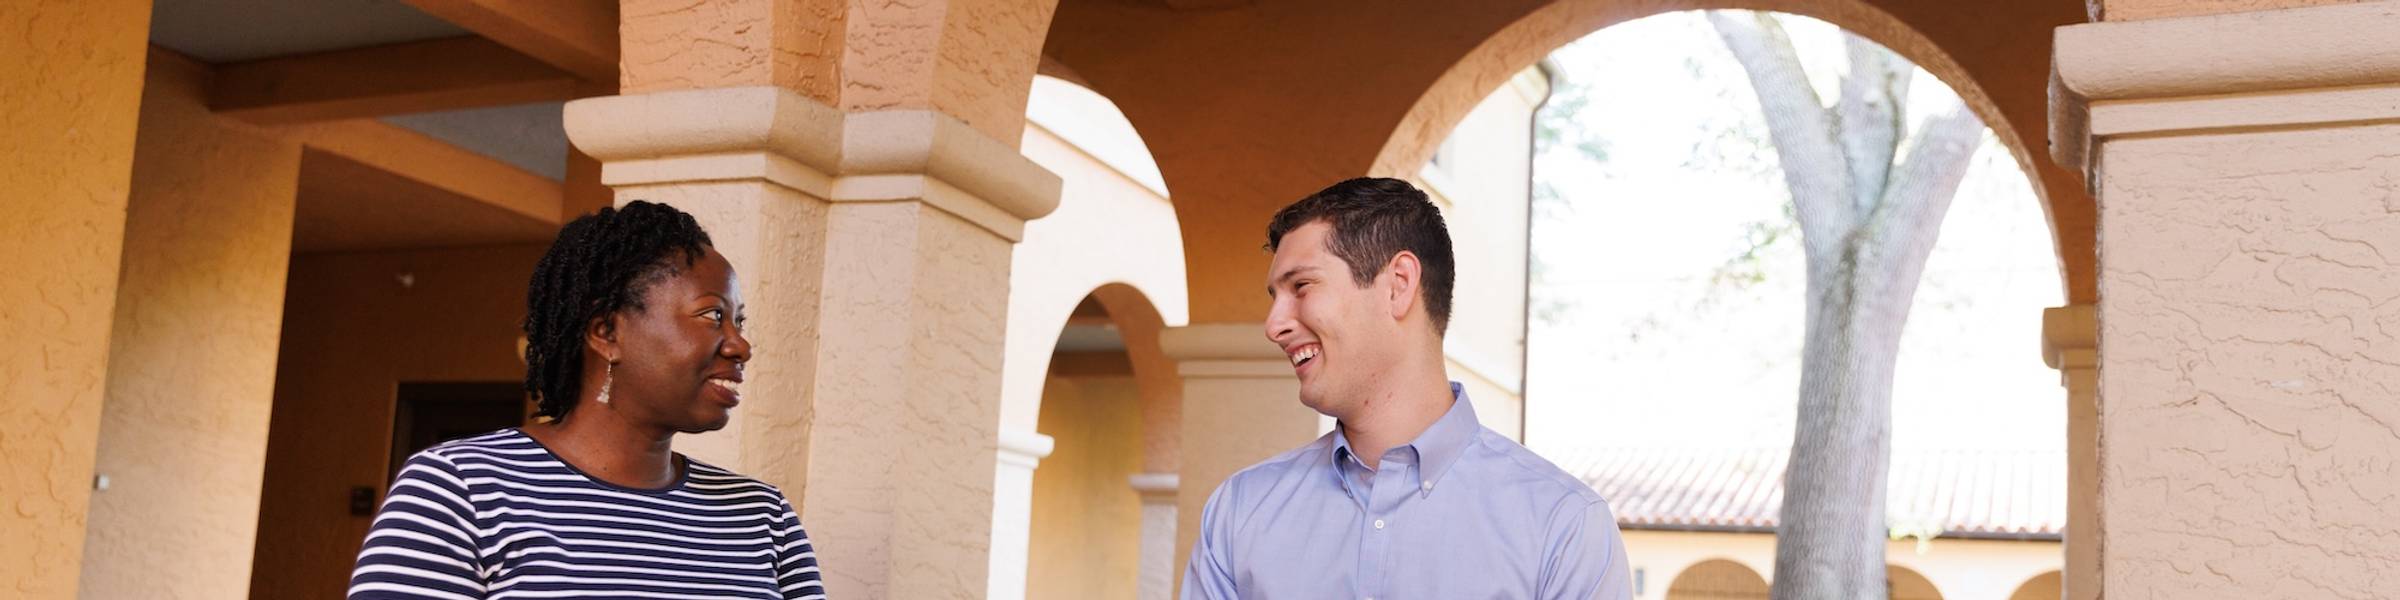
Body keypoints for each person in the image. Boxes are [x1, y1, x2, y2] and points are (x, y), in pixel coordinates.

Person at [347, 201, 827, 599]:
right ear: (606, 332)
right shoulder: (460, 490)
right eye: (711, 315)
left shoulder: (762, 517)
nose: (739, 345)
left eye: (737, 322)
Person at [1182, 178, 1631, 599]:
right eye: (1274, 298)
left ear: (1398, 285)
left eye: (1301, 286)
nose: (1274, 325)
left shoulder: (1564, 526)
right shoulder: (1238, 512)